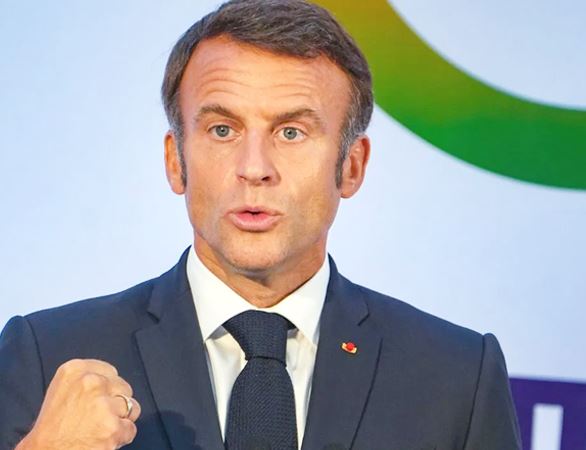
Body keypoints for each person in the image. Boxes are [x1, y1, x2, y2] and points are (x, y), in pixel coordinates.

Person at [0, 0, 521, 449]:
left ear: (352, 166)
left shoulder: (456, 375)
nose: (254, 167)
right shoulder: (45, 355)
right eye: (222, 129)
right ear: (175, 161)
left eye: (291, 132)